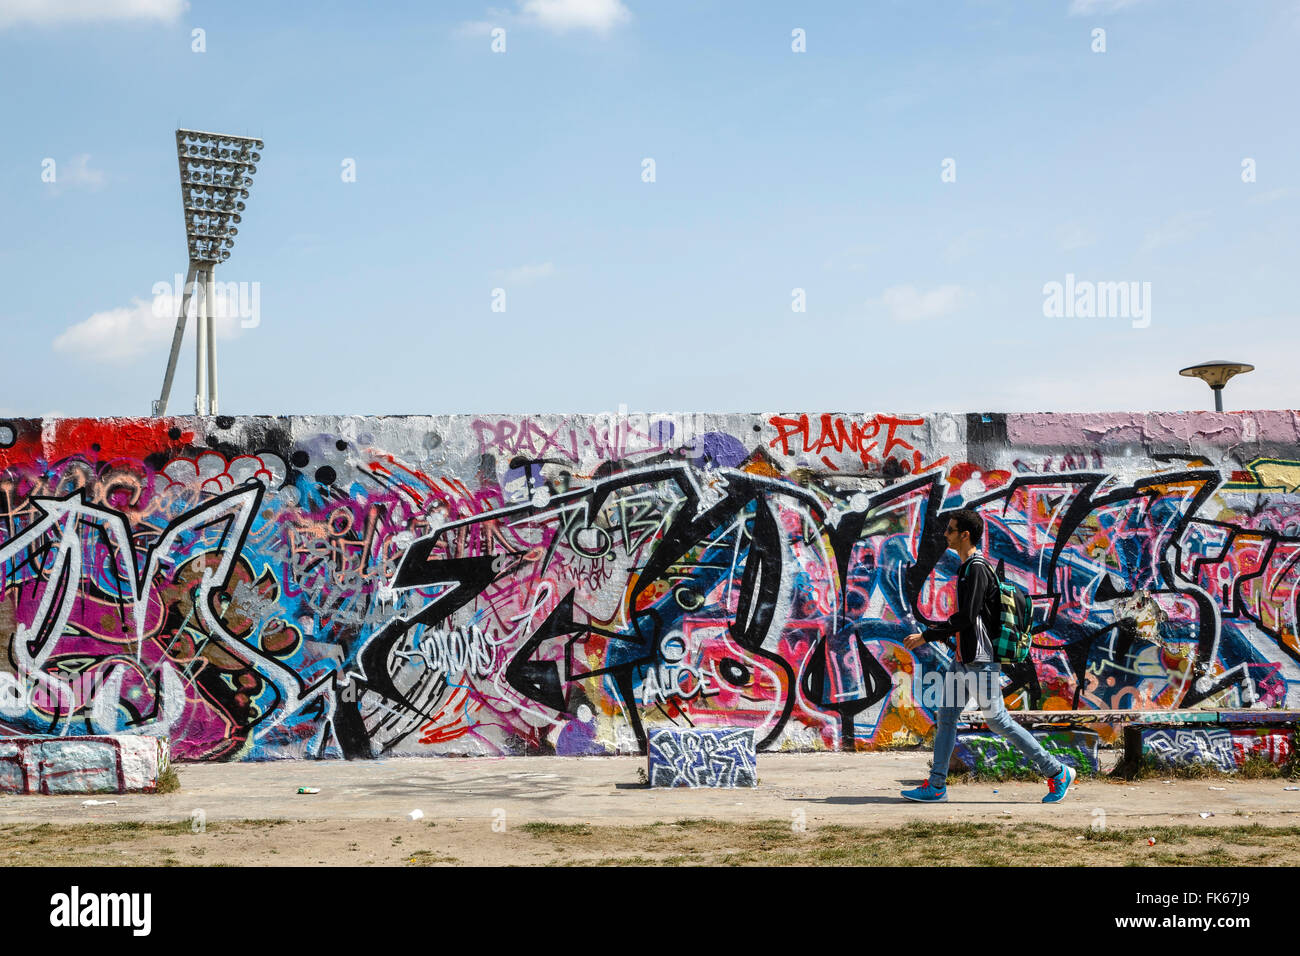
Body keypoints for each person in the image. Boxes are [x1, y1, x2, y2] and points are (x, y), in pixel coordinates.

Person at [899, 509, 1075, 803]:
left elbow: (967, 617)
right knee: (947, 719)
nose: (946, 534)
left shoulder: (976, 569)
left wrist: (926, 635)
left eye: (951, 530)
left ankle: (1057, 771)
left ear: (965, 535)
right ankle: (937, 786)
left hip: (979, 661)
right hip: (963, 659)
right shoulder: (967, 568)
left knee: (999, 721)